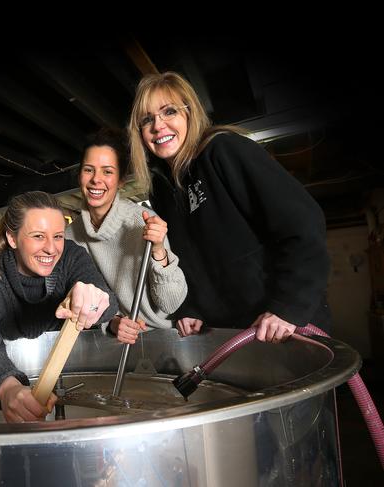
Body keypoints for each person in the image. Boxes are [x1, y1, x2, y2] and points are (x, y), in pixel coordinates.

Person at [127, 71, 330, 343]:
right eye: (147, 119)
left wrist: (289, 306)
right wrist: (191, 307)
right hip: (229, 334)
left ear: (189, 113)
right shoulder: (161, 189)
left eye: (169, 112)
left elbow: (303, 223)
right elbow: (188, 259)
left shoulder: (223, 150)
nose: (158, 125)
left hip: (282, 326)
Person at [0, 191, 118, 423]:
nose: (52, 249)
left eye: (57, 236)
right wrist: (8, 390)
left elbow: (108, 303)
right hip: (12, 369)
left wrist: (95, 299)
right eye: (38, 236)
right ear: (12, 238)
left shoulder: (72, 255)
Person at [65, 128, 187, 345]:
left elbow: (170, 303)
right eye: (88, 170)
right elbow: (78, 305)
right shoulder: (69, 236)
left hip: (163, 339)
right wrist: (112, 322)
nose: (96, 180)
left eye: (107, 172)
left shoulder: (143, 221)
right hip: (110, 343)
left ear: (121, 180)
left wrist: (159, 251)